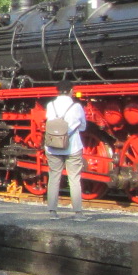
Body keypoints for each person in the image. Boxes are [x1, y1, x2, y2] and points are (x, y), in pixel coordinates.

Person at [43, 81, 87, 218]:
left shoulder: (50, 105)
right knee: (74, 179)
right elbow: (83, 127)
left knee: (54, 178)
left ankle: (52, 212)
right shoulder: (77, 107)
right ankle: (78, 213)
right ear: (71, 91)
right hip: (72, 147)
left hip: (53, 148)